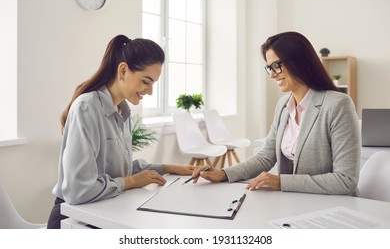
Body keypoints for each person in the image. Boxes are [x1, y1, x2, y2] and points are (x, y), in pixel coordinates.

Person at [47, 35, 194, 228]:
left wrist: (169, 168)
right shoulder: (87, 107)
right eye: (146, 81)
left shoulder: (122, 111)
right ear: (123, 70)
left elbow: (116, 170)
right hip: (73, 220)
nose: (149, 91)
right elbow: (79, 190)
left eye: (153, 84)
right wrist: (131, 181)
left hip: (101, 213)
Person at [193, 31, 361, 195]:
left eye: (277, 66)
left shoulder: (338, 105)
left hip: (331, 208)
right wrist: (223, 173)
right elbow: (265, 156)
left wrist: (281, 182)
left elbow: (345, 180)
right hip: (294, 203)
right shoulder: (283, 105)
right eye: (269, 68)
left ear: (300, 62)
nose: (272, 74)